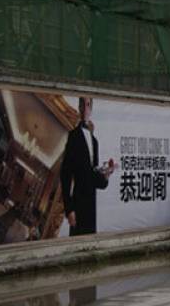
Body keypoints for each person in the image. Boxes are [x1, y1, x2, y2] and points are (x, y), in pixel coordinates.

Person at [60, 98, 113, 236]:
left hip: (91, 205)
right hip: (77, 204)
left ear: (91, 109)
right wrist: (69, 209)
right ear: (79, 107)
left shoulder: (95, 142)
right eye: (82, 104)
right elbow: (65, 174)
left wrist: (106, 176)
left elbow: (95, 179)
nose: (85, 108)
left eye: (88, 104)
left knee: (90, 243)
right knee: (76, 244)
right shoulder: (73, 136)